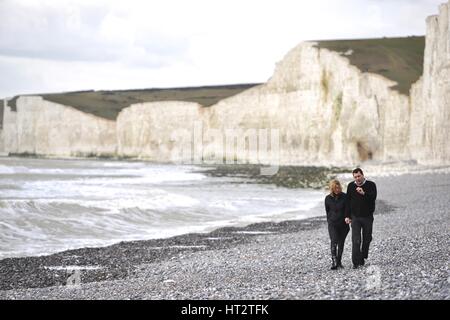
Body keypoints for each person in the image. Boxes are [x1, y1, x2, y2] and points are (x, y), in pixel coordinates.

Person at [345, 168, 377, 269]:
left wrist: (364, 193)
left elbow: (373, 198)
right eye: (355, 177)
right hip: (355, 217)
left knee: (367, 238)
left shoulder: (371, 185)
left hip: (367, 216)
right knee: (356, 240)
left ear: (362, 175)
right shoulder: (351, 186)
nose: (357, 178)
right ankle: (355, 262)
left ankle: (363, 255)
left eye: (359, 176)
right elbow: (347, 202)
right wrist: (347, 216)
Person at [325, 179, 350, 270]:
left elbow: (348, 209)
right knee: (334, 240)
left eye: (338, 187)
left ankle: (339, 262)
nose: (337, 189)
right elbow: (327, 211)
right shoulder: (327, 198)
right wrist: (329, 221)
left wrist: (347, 217)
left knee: (341, 243)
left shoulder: (345, 196)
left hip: (343, 225)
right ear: (332, 188)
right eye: (335, 188)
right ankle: (334, 262)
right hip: (332, 224)